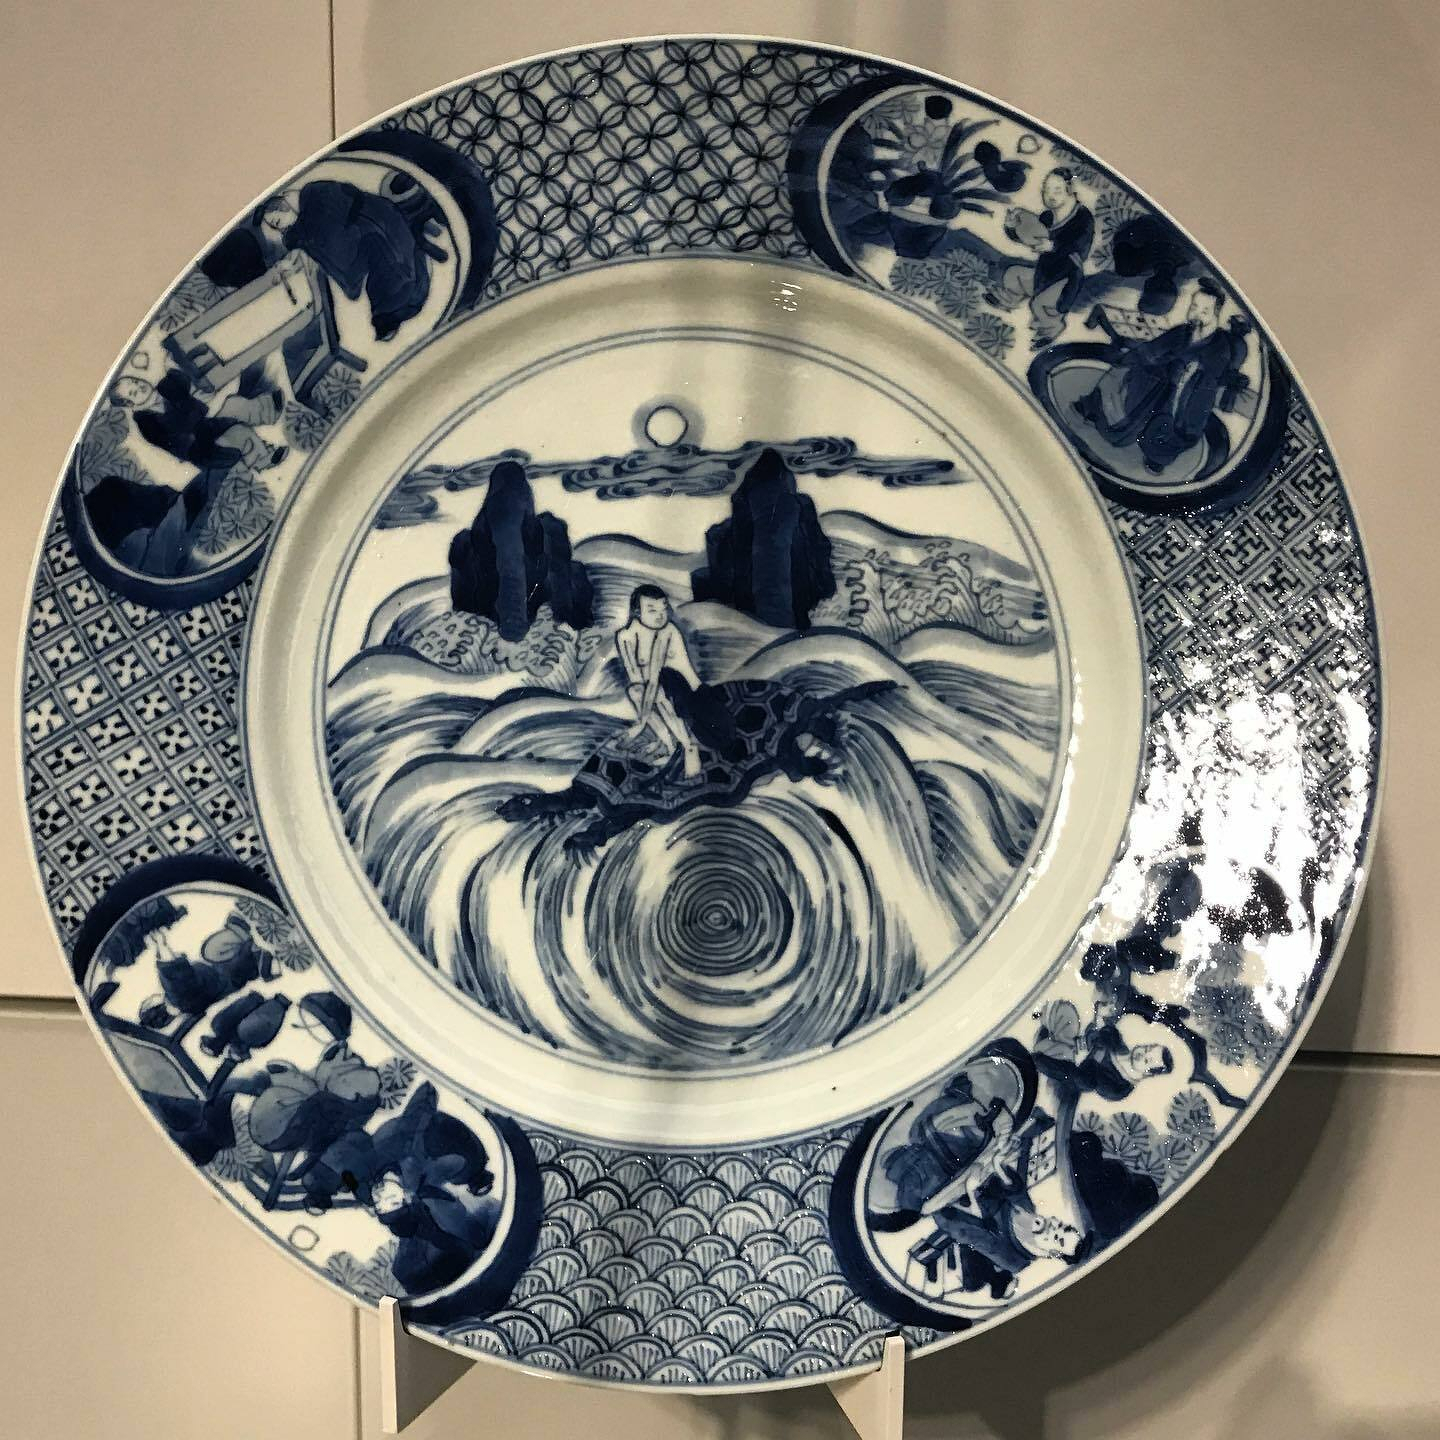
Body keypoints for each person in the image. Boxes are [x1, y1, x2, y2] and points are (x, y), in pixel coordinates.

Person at [1074, 278, 1252, 473]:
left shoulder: (1220, 347)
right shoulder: (1184, 331)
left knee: (1173, 428)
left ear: (1216, 313)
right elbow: (1154, 349)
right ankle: (1094, 410)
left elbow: (1213, 377)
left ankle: (1156, 458)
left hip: (1190, 393)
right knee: (1125, 379)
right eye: (1194, 307)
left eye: (1204, 311)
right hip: (1160, 381)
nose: (1196, 314)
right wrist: (1134, 356)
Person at [613, 585, 716, 781]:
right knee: (636, 692)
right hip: (662, 690)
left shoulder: (667, 631)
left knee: (658, 693)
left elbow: (653, 680)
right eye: (652, 610)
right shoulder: (624, 637)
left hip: (691, 693)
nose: (660, 615)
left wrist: (639, 724)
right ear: (637, 612)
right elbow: (637, 681)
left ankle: (688, 747)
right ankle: (669, 744)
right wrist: (642, 719)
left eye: (664, 608)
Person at [1000, 167, 1094, 345]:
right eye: (1046, 190)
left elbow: (1080, 246)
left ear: (1069, 189)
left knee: (1041, 304)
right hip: (1043, 272)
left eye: (1057, 190)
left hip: (1066, 276)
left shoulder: (1083, 218)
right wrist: (1012, 227)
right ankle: (1008, 300)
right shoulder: (1047, 217)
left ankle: (1051, 329)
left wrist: (1054, 246)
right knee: (1014, 274)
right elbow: (1029, 236)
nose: (1050, 195)